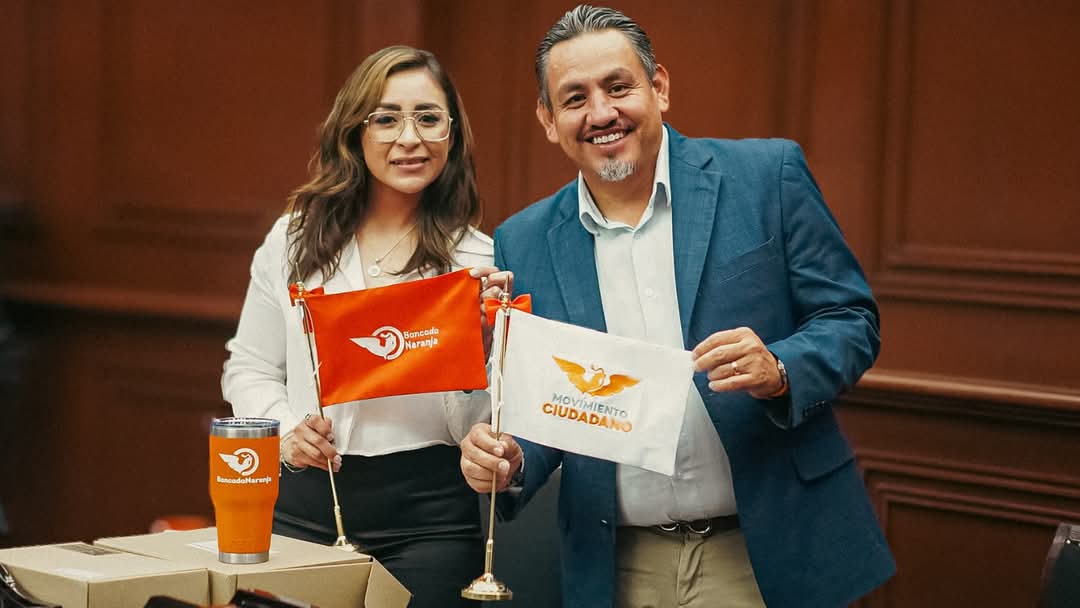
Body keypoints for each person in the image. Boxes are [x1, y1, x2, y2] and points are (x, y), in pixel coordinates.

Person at [459, 5, 896, 608]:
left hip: (768, 550)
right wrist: (511, 460)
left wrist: (779, 368)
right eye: (575, 98)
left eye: (618, 87)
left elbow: (851, 321)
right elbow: (553, 406)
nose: (601, 113)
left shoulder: (766, 175)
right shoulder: (524, 240)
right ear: (548, 119)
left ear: (659, 87)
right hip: (619, 565)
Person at [223, 46, 500, 608]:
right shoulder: (292, 241)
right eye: (386, 118)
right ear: (354, 132)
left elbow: (482, 426)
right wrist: (286, 430)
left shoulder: (477, 261)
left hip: (431, 520)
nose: (410, 138)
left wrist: (475, 349)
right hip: (303, 507)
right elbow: (249, 367)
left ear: (452, 134)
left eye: (428, 118)